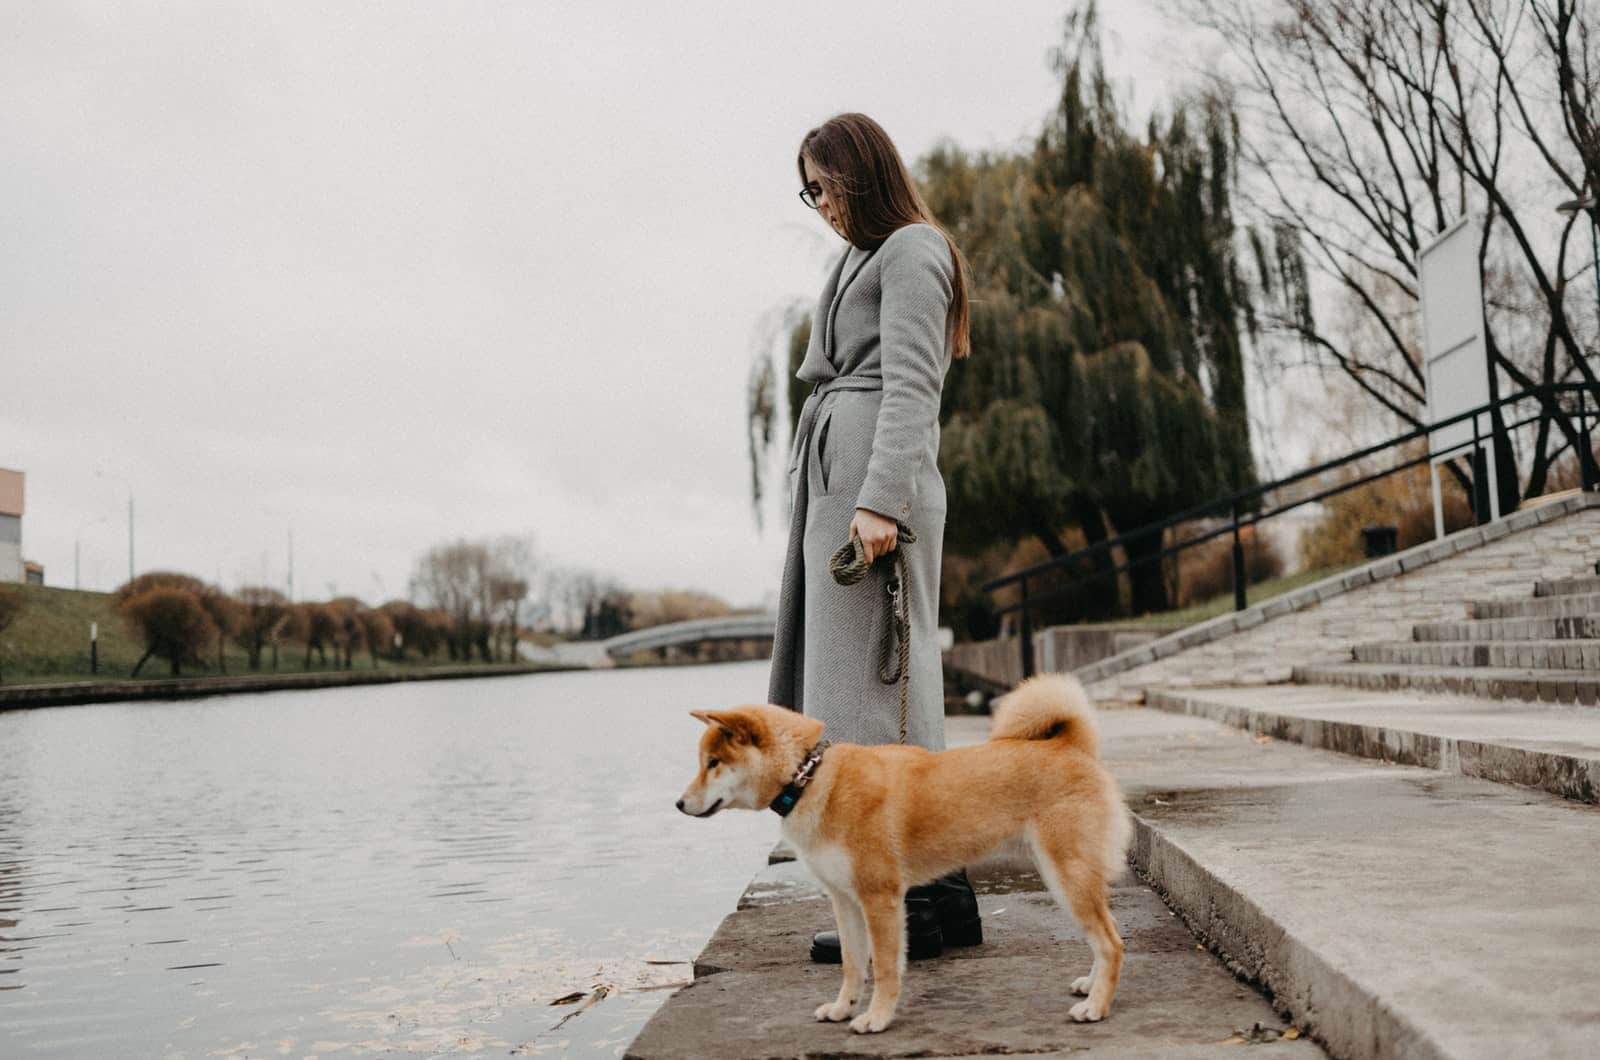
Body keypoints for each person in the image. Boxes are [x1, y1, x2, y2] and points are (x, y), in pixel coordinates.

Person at [767, 112, 980, 964]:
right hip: (842, 489)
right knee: (860, 688)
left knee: (878, 691)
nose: (817, 202)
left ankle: (914, 904)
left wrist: (881, 497)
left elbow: (913, 384)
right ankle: (946, 897)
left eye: (823, 184)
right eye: (807, 189)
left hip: (870, 496)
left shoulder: (913, 250)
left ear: (860, 173)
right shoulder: (862, 255)